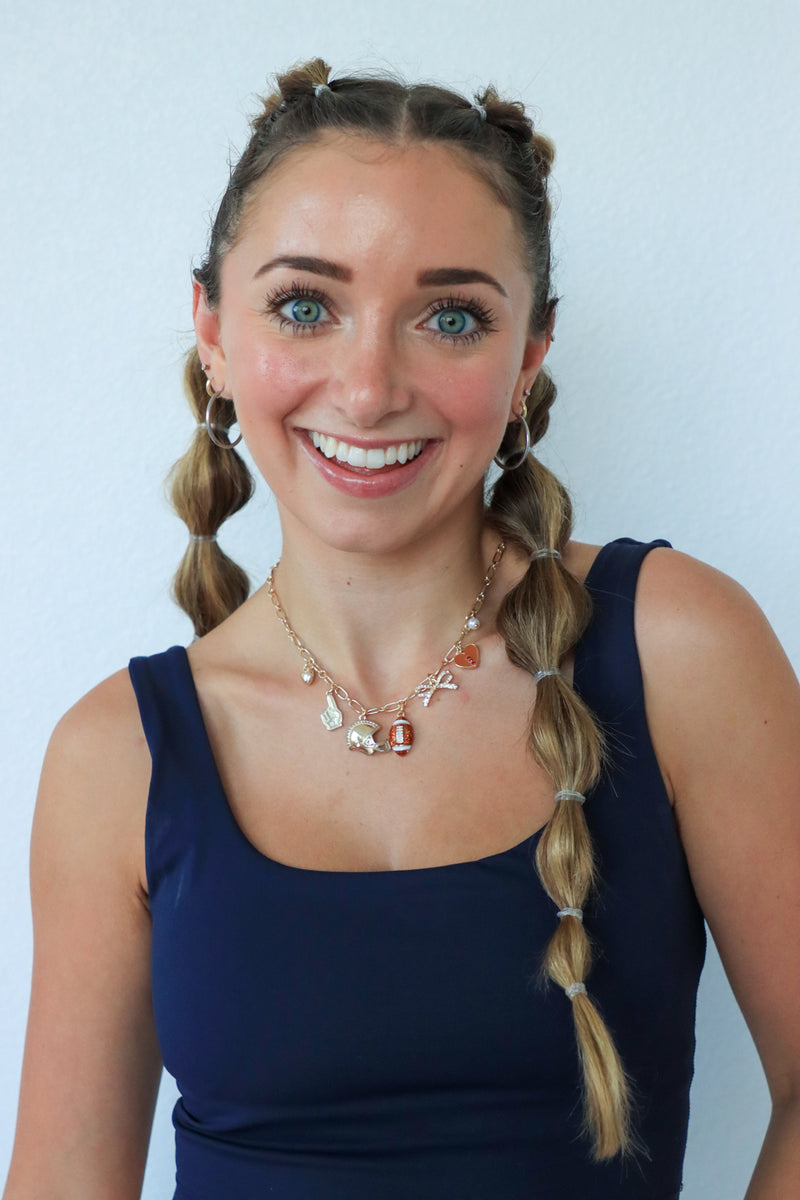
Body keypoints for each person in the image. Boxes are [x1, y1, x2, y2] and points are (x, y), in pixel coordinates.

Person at [3, 58, 798, 1200]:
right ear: (212, 331)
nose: (369, 388)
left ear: (527, 359)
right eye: (304, 306)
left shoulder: (673, 647)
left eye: (451, 318)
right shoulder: (114, 757)